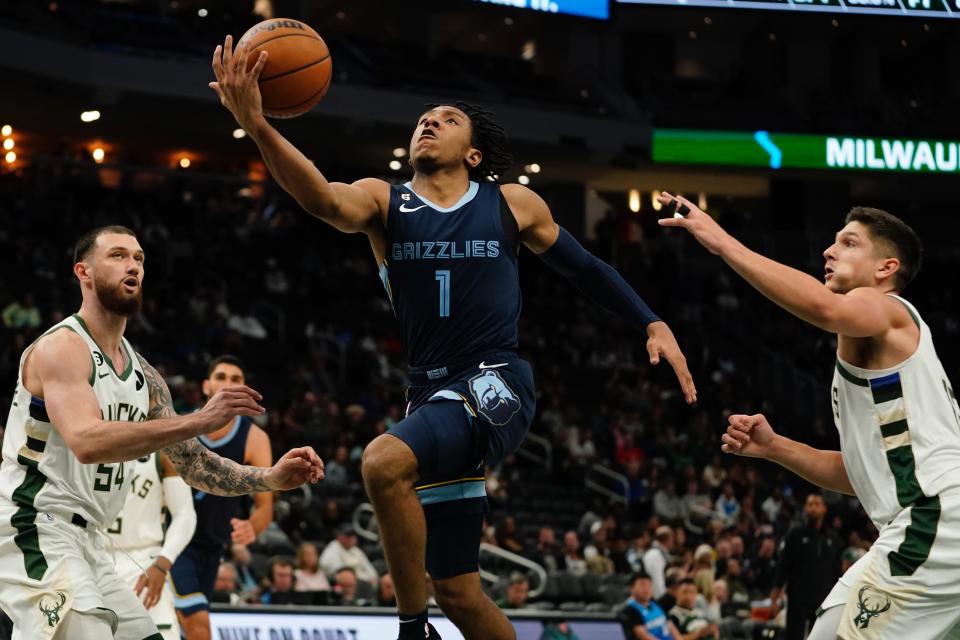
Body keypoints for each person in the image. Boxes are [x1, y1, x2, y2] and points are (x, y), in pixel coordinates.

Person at [210, 35, 696, 640]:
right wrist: (258, 126)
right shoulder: (383, 202)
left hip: (496, 383)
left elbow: (587, 270)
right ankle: (433, 615)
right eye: (422, 120)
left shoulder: (510, 202)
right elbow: (319, 197)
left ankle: (412, 629)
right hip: (431, 395)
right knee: (461, 592)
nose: (429, 124)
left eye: (447, 120)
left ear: (473, 154)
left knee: (382, 461)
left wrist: (651, 320)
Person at [0, 226, 323, 639]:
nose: (132, 265)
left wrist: (269, 479)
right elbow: (86, 441)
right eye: (117, 255)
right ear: (83, 272)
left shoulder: (145, 377)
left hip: (92, 541)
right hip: (37, 524)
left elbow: (194, 463)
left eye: (139, 259)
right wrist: (200, 419)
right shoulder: (62, 348)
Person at [661, 194, 960, 638]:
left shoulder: (886, 309)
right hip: (931, 522)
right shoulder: (876, 354)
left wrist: (721, 241)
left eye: (850, 243)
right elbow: (860, 473)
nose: (829, 250)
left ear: (886, 269)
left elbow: (823, 308)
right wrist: (776, 447)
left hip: (935, 519)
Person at [170, 355, 275, 640]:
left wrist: (253, 526)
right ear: (206, 386)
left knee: (182, 630)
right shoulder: (180, 427)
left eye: (236, 380)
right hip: (175, 544)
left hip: (214, 548)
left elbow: (266, 505)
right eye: (221, 377)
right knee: (198, 626)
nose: (227, 384)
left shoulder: (255, 438)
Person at [106, 451, 198, 640]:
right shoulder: (84, 434)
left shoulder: (164, 450)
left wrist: (162, 563)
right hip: (92, 556)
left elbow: (185, 514)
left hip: (144, 562)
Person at [769, 493, 842, 640]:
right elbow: (783, 566)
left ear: (824, 509)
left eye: (817, 504)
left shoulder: (833, 539)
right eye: (810, 504)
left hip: (823, 600)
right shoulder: (795, 534)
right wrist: (775, 596)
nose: (813, 508)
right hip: (798, 598)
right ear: (805, 508)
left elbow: (837, 573)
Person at [619, 574, 682, 640]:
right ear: (631, 588)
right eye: (642, 585)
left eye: (649, 585)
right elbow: (643, 636)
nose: (646, 588)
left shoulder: (657, 604)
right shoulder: (629, 610)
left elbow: (671, 627)